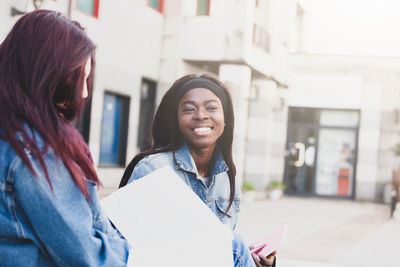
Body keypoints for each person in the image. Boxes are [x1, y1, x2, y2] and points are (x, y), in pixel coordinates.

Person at [0, 10, 129, 266]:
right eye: (78, 77)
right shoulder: (36, 150)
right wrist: (134, 250)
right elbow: (85, 255)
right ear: (46, 74)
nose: (82, 93)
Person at [119, 74, 276, 267]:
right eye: (189, 109)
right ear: (176, 120)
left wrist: (251, 259)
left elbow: (221, 252)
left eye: (211, 108)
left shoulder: (227, 178)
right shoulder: (153, 169)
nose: (201, 115)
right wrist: (234, 249)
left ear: (225, 118)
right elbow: (123, 247)